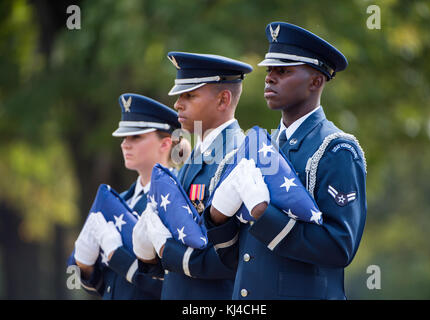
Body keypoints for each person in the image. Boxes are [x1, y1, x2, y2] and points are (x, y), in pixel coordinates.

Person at [207, 21, 367, 299]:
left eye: (283, 71)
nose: (270, 78)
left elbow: (340, 247)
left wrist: (263, 215)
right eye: (270, 70)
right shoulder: (257, 147)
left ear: (316, 81)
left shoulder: (337, 150)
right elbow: (239, 258)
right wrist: (217, 219)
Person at [132, 52, 253, 299]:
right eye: (179, 95)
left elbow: (234, 258)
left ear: (223, 100)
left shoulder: (239, 157)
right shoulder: (194, 158)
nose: (177, 104)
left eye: (190, 95)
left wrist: (167, 249)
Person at [73, 93, 189, 299]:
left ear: (165, 144)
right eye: (124, 137)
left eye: (136, 136)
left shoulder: (179, 199)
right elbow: (102, 284)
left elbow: (175, 285)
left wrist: (117, 256)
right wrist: (84, 267)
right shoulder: (122, 200)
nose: (125, 144)